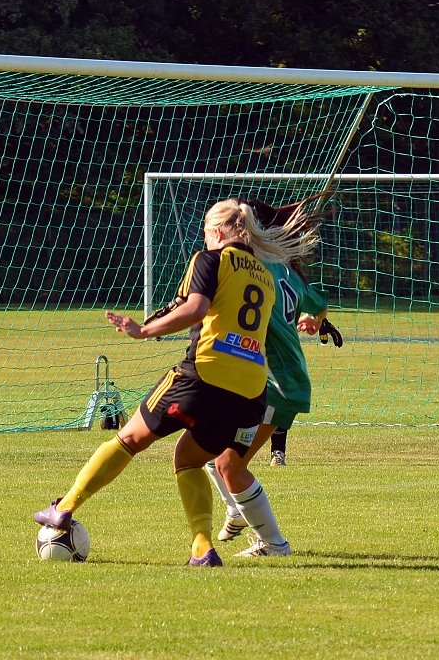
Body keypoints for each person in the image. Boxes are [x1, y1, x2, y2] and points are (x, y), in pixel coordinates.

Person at [33, 197, 318, 566]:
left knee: (129, 438)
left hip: (204, 375)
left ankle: (64, 508)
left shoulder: (209, 259)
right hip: (250, 392)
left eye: (205, 233)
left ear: (216, 232)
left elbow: (196, 308)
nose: (204, 241)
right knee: (187, 458)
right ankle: (203, 549)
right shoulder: (264, 275)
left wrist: (144, 330)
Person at [202, 197, 332, 554]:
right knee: (215, 455)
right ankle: (239, 507)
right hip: (268, 382)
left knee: (228, 463)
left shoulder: (254, 269)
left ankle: (274, 543)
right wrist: (313, 321)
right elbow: (319, 303)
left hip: (278, 385)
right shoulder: (283, 269)